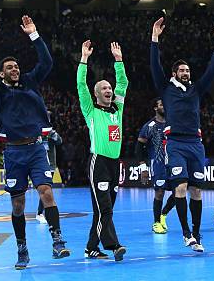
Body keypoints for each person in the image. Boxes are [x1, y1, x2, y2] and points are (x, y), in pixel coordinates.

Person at [0, 16, 69, 270]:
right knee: (18, 204)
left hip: (37, 148)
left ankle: (57, 240)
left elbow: (47, 62)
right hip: (14, 153)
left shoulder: (29, 82)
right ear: (1, 73)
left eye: (16, 66)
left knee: (47, 192)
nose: (15, 69)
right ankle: (22, 247)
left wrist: (34, 34)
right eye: (9, 67)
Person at [150, 17, 214, 253]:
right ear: (174, 72)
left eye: (187, 70)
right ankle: (185, 234)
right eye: (182, 70)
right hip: (175, 143)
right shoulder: (165, 88)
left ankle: (196, 233)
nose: (186, 73)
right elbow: (155, 65)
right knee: (180, 188)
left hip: (196, 143)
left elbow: (212, 70)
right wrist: (154, 39)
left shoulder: (196, 89)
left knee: (196, 190)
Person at [78, 40, 128, 261]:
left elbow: (123, 84)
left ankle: (91, 248)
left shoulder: (117, 107)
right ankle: (114, 245)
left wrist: (119, 61)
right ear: (96, 94)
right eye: (104, 88)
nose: (109, 90)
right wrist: (84, 59)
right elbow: (81, 85)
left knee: (103, 211)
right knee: (105, 208)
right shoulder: (90, 110)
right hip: (98, 162)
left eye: (109, 88)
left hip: (114, 163)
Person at [137, 98, 176, 234]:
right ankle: (156, 223)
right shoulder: (149, 126)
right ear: (155, 108)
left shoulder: (173, 123)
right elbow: (139, 147)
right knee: (159, 193)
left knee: (179, 192)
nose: (164, 106)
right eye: (161, 104)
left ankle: (163, 214)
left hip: (175, 162)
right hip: (158, 164)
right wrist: (143, 168)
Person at [36, 128, 62, 224]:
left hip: (50, 165)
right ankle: (39, 213)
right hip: (39, 164)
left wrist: (53, 134)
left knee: (47, 189)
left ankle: (41, 212)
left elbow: (59, 141)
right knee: (45, 189)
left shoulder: (50, 133)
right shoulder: (35, 132)